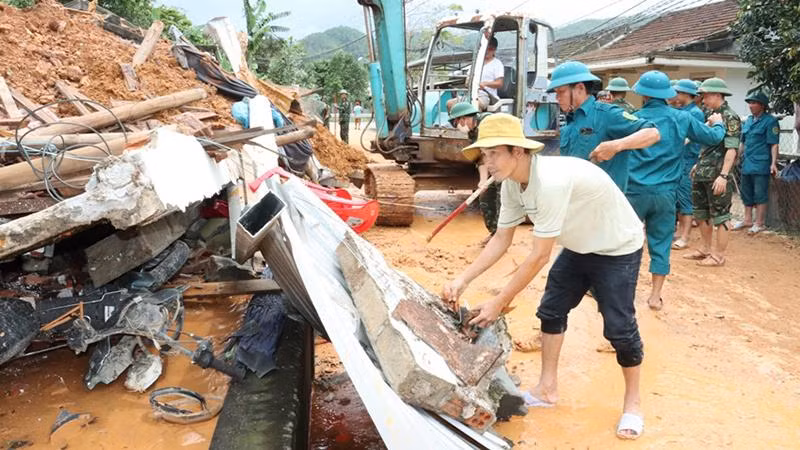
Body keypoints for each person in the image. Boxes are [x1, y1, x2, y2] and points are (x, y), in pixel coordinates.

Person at [443, 113, 648, 440]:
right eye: (484, 155)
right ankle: (546, 389)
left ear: (518, 151)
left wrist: (499, 301)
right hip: (578, 246)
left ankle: (633, 404)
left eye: (494, 153)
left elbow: (539, 255)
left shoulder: (550, 182)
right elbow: (501, 239)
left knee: (619, 329)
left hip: (616, 247)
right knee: (551, 311)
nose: (488, 162)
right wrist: (462, 279)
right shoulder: (511, 184)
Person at [626, 71, 726, 311]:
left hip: (633, 193)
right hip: (665, 194)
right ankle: (655, 296)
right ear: (667, 95)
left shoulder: (632, 118)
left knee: (627, 244)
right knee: (660, 244)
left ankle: (625, 294)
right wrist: (718, 124)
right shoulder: (681, 118)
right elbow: (713, 137)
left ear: (643, 95)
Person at [548, 61, 660, 192]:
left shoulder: (607, 114)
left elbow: (653, 133)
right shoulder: (569, 122)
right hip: (576, 197)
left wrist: (616, 146)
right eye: (556, 93)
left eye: (561, 92)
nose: (557, 97)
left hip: (605, 200)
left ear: (580, 88)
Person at [684, 77, 741, 267]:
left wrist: (723, 175)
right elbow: (706, 143)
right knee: (701, 212)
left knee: (720, 214)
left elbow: (732, 149)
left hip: (717, 173)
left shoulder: (730, 117)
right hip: (703, 171)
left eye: (706, 96)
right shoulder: (711, 114)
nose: (703, 100)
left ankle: (719, 255)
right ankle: (705, 249)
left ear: (717, 95)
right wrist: (699, 164)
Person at [450, 102, 498, 242]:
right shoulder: (472, 133)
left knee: (503, 201)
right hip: (493, 167)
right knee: (485, 198)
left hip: (506, 166)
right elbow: (480, 156)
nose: (458, 125)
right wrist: (483, 181)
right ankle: (494, 233)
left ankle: (501, 239)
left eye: (457, 122)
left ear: (464, 118)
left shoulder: (488, 122)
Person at [734, 91, 780, 234]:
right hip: (747, 163)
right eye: (750, 103)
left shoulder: (770, 121)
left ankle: (759, 223)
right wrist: (737, 157)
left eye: (754, 103)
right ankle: (747, 220)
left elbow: (774, 144)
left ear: (762, 105)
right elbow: (742, 142)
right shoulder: (748, 121)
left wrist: (773, 163)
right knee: (746, 191)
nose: (750, 105)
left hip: (761, 163)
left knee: (760, 193)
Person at [672, 79, 708, 250]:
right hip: (678, 159)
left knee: (685, 197)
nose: (675, 95)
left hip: (688, 159)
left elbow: (692, 137)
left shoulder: (695, 113)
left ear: (686, 94)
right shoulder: (682, 111)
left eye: (678, 92)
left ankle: (685, 236)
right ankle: (680, 232)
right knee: (678, 198)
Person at [447, 37, 504, 111]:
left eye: (490, 49)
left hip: (486, 95)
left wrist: (485, 84)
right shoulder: (476, 63)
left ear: (494, 50)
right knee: (450, 103)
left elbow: (499, 83)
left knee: (475, 104)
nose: (487, 51)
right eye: (485, 48)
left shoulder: (497, 64)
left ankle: (474, 118)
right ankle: (457, 118)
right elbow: (468, 80)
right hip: (471, 94)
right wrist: (468, 82)